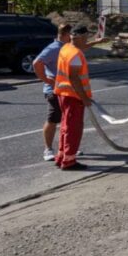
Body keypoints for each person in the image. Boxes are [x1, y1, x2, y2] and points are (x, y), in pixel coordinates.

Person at [53, 25, 94, 171]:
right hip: (73, 96)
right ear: (80, 37)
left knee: (66, 126)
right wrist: (84, 98)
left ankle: (61, 156)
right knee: (73, 129)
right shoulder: (75, 54)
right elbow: (74, 77)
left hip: (63, 94)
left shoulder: (66, 48)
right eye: (86, 37)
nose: (87, 40)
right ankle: (69, 161)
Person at [32, 24, 73, 161]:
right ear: (67, 35)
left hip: (67, 91)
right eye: (72, 35)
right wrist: (46, 80)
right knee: (53, 119)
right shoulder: (54, 48)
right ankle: (48, 149)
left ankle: (67, 148)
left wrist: (96, 42)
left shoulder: (67, 47)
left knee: (67, 120)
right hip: (54, 91)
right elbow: (37, 63)